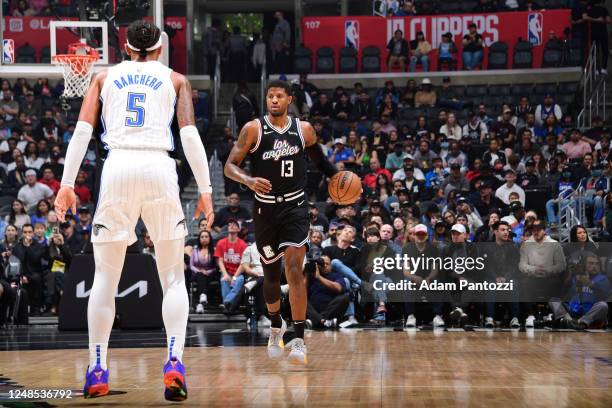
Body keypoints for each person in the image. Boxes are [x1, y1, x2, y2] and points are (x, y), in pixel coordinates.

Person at [53, 21, 214, 401]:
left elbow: (81, 133)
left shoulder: (103, 77)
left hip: (118, 167)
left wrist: (65, 184)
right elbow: (189, 135)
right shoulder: (176, 80)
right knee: (173, 276)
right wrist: (205, 191)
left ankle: (97, 368)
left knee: (105, 280)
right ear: (160, 48)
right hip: (159, 167)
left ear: (125, 47)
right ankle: (174, 361)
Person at [224, 80, 342, 365]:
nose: (274, 100)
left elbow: (319, 160)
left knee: (294, 269)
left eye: (279, 96)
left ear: (289, 99)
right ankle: (277, 324)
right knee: (272, 277)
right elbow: (229, 166)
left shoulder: (303, 130)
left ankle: (299, 339)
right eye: (269, 96)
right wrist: (249, 180)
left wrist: (337, 177)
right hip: (265, 211)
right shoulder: (253, 129)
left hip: (295, 205)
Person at [549, 252, 610, 329]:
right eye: (591, 263)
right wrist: (570, 276)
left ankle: (580, 322)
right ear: (584, 265)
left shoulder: (603, 278)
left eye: (597, 264)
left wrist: (590, 283)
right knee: (553, 300)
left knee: (603, 305)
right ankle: (567, 319)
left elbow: (606, 294)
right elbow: (562, 295)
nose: (594, 266)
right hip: (573, 312)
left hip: (591, 313)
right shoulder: (575, 277)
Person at [306, 254, 348, 329]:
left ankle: (317, 321)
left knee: (345, 298)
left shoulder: (336, 275)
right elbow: (302, 290)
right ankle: (325, 322)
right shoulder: (311, 276)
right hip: (313, 309)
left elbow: (338, 288)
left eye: (327, 264)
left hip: (330, 308)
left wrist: (319, 277)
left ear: (331, 266)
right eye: (322, 263)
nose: (324, 265)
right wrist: (306, 274)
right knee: (299, 298)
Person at [214, 219, 247, 313]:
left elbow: (243, 263)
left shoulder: (242, 244)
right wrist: (225, 274)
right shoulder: (221, 243)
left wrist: (235, 277)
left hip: (238, 272)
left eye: (234, 224)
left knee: (239, 280)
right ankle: (230, 306)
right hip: (227, 271)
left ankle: (226, 303)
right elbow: (220, 260)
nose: (231, 225)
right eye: (230, 224)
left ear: (238, 229)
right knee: (224, 280)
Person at [189, 230, 217, 313]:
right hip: (196, 274)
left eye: (206, 236)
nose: (204, 238)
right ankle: (203, 296)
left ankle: (200, 303)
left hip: (210, 274)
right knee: (200, 275)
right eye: (202, 237)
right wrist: (200, 271)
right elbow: (191, 265)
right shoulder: (195, 250)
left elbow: (215, 267)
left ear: (210, 238)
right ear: (199, 239)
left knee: (204, 277)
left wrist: (208, 271)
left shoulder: (214, 250)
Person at [583, 0, 610, 75]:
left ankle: (596, 70)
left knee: (595, 52)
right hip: (603, 32)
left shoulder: (589, 10)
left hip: (594, 33)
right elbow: (608, 20)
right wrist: (600, 20)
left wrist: (594, 20)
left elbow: (585, 17)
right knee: (605, 51)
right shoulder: (604, 9)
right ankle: (604, 69)